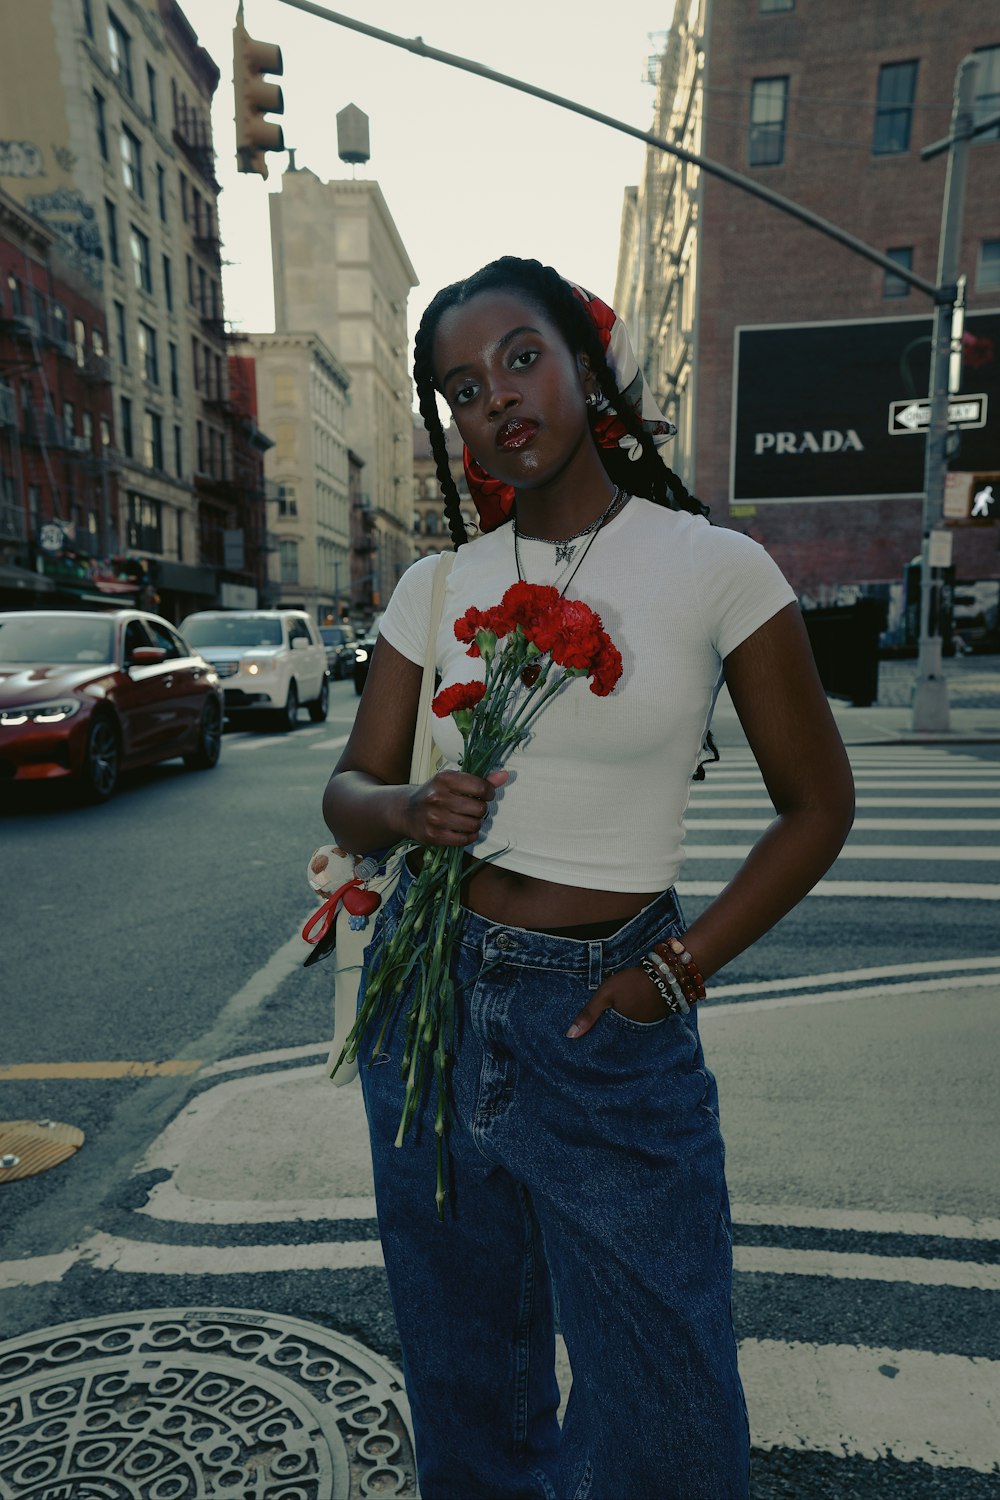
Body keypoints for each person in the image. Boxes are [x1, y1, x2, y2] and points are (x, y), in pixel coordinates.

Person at [323, 256, 855, 1500]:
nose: (495, 399)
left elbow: (817, 806)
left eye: (519, 358)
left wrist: (674, 971)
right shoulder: (433, 586)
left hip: (606, 1018)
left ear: (581, 365)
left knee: (664, 1421)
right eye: (460, 388)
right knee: (466, 1387)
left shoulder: (713, 566)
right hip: (429, 1002)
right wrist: (409, 807)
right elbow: (348, 793)